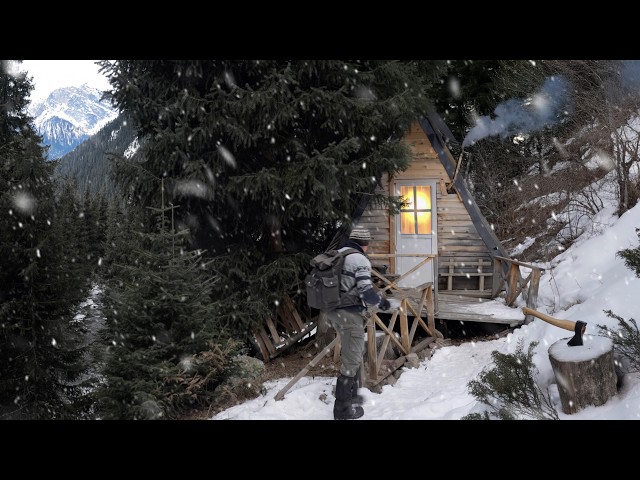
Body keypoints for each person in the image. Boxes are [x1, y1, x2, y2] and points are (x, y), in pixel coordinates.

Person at [326, 226, 392, 420]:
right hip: (349, 314)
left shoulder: (337, 253)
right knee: (352, 359)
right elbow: (366, 292)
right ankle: (343, 411)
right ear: (365, 243)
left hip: (333, 311)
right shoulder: (360, 259)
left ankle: (353, 398)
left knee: (351, 353)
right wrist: (383, 303)